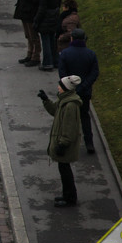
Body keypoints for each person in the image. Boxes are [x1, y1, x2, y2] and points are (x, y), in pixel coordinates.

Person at [38, 75, 82, 208]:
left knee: (65, 171)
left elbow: (69, 128)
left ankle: (70, 198)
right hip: (63, 143)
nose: (58, 87)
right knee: (64, 170)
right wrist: (46, 100)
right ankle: (67, 195)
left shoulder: (70, 105)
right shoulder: (64, 100)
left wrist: (63, 144)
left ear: (65, 88)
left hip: (65, 144)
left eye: (60, 86)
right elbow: (54, 111)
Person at [59, 29, 99, 154]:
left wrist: (70, 87)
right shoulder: (90, 54)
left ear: (72, 39)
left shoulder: (65, 53)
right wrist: (84, 86)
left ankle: (67, 143)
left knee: (68, 118)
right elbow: (94, 73)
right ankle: (89, 143)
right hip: (85, 92)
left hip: (69, 92)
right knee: (85, 116)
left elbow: (62, 73)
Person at [14, 0, 42, 67]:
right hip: (24, 12)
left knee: (33, 36)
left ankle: (36, 56)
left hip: (30, 13)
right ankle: (29, 54)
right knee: (28, 35)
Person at [33, 0, 63, 71]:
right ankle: (55, 60)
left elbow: (41, 10)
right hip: (54, 16)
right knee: (52, 40)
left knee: (45, 41)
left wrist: (36, 21)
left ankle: (47, 63)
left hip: (45, 19)